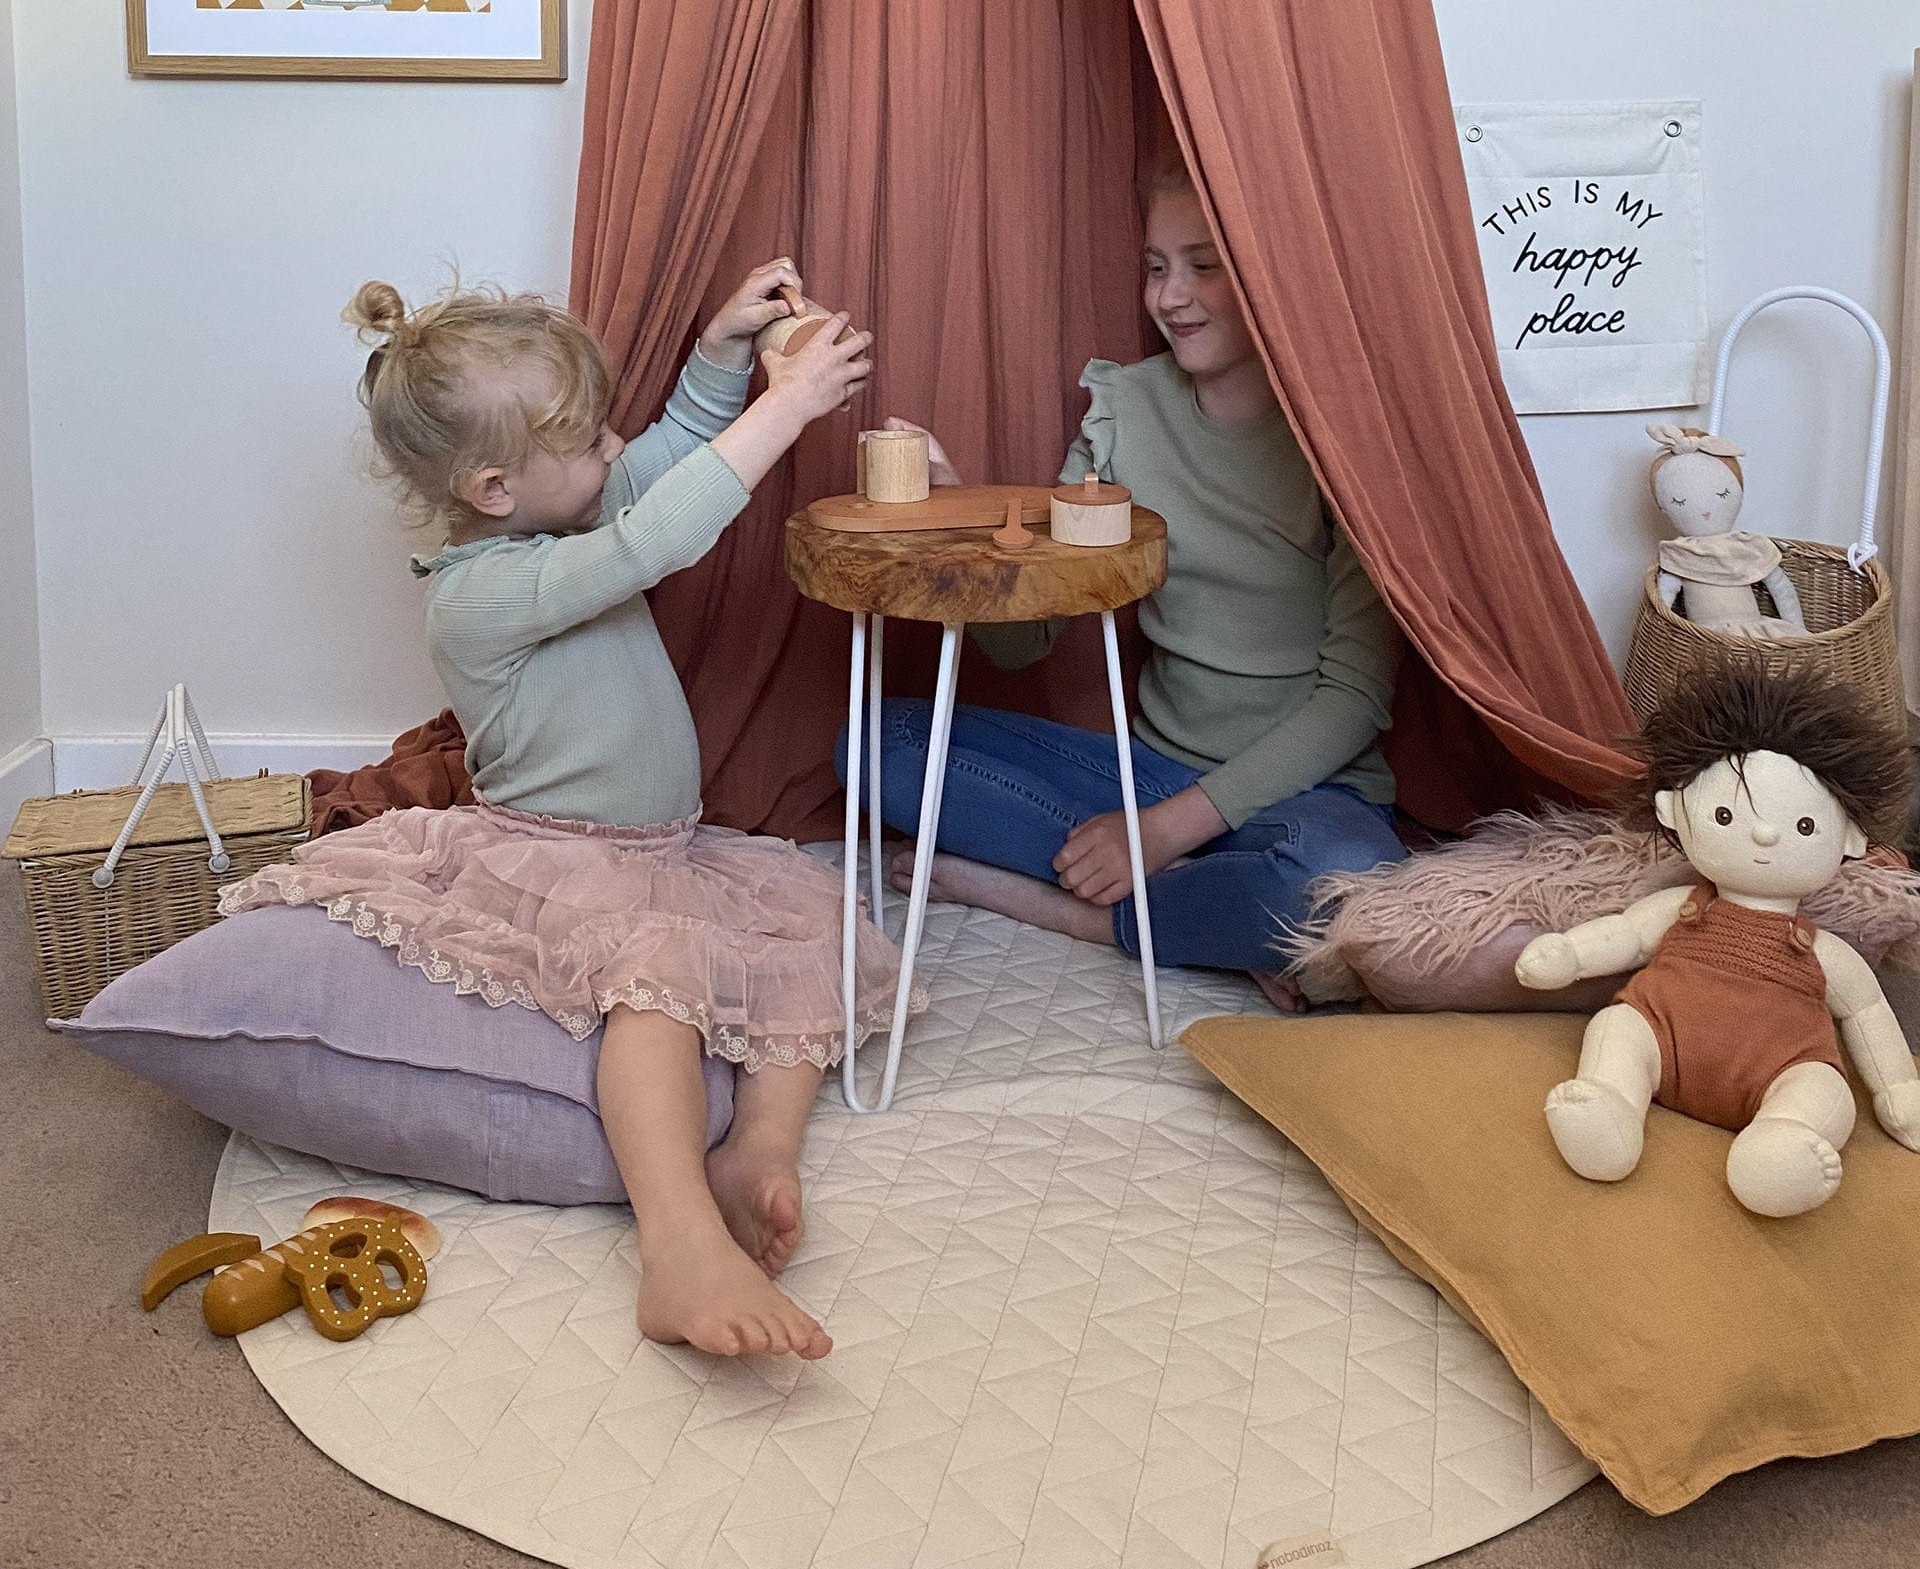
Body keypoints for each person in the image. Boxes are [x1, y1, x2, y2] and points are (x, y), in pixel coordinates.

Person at [223, 265, 911, 1364]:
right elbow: (655, 536)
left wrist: (725, 356)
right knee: (661, 995)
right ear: (496, 487)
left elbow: (650, 468)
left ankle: (759, 1153)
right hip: (565, 858)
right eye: (588, 440)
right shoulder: (483, 592)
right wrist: (787, 408)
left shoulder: (556, 523)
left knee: (808, 929)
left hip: (665, 848)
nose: (613, 451)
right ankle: (676, 1238)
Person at [851, 165, 1406, 987]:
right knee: (873, 744)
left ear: (1272, 268)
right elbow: (1023, 644)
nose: (1171, 297)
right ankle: (1205, 917)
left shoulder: (1344, 442)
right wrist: (965, 516)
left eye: (1204, 265)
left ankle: (1075, 911)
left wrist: (1157, 837)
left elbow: (1356, 700)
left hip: (1309, 794)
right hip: (1149, 773)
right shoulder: (1122, 409)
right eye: (1156, 266)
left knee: (1342, 890)